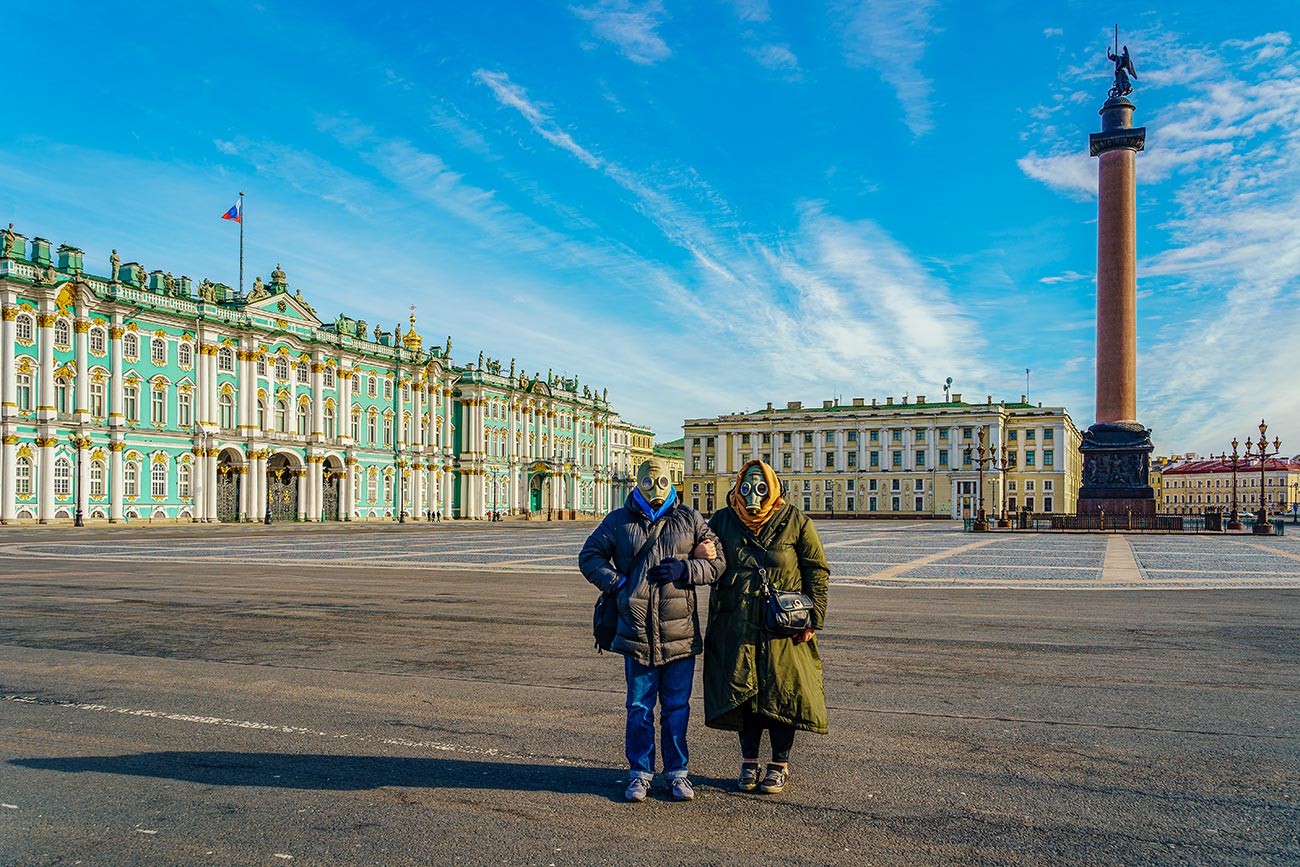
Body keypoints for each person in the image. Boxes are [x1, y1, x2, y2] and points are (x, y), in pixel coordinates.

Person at [580, 458, 725, 802]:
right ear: (639, 483)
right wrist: (618, 584)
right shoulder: (618, 520)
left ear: (671, 484)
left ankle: (678, 772)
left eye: (662, 483)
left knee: (677, 707)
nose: (656, 490)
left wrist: (686, 569)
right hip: (636, 631)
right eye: (649, 483)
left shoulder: (690, 518)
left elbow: (718, 564)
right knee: (639, 707)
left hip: (680, 632)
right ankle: (640, 772)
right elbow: (589, 557)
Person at [704, 459, 829, 795]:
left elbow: (816, 569)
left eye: (761, 488)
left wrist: (814, 618)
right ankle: (748, 762)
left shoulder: (795, 521)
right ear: (737, 488)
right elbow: (705, 559)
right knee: (744, 694)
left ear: (773, 487)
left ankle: (779, 764)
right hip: (737, 621)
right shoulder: (722, 520)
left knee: (782, 693)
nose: (752, 496)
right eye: (746, 488)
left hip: (783, 625)